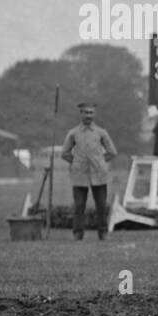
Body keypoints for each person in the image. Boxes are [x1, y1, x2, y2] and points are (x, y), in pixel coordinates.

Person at [60, 101, 116, 240]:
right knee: (79, 206)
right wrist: (76, 162)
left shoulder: (101, 132)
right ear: (81, 114)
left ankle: (103, 233)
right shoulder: (73, 133)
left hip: (99, 174)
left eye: (91, 113)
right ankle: (77, 234)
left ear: (94, 114)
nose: (88, 116)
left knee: (101, 206)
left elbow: (112, 152)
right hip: (80, 174)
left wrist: (101, 162)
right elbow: (64, 153)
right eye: (86, 112)